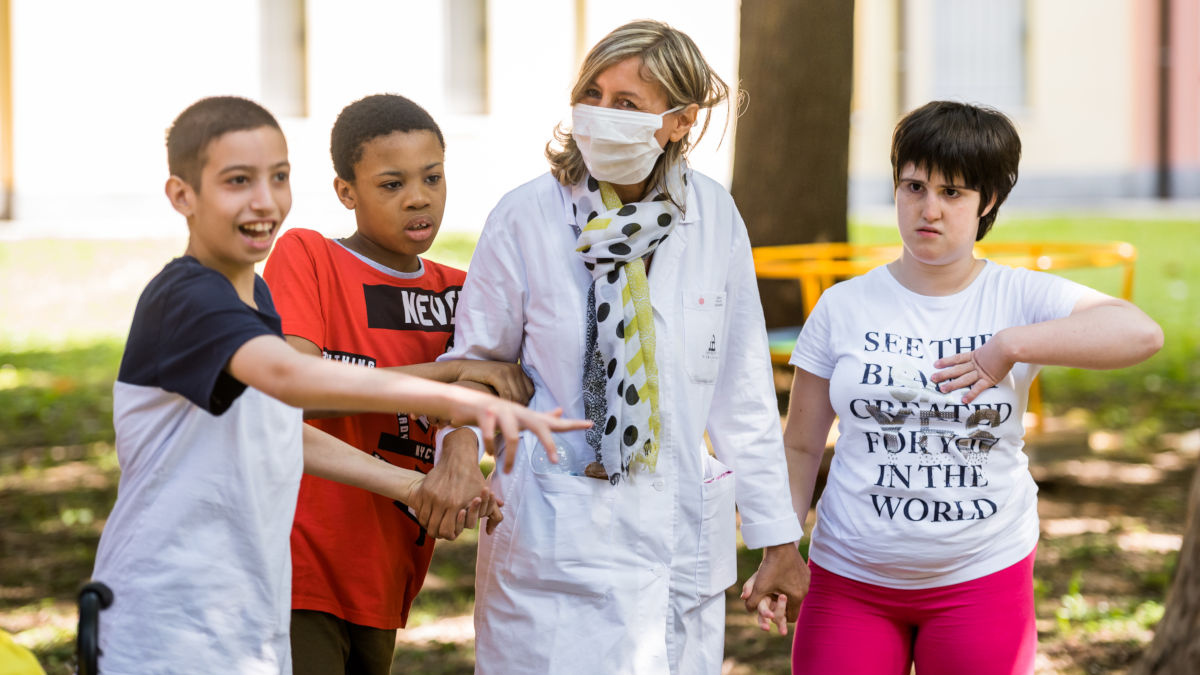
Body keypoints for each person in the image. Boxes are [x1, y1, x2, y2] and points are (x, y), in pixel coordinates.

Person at [88, 96, 587, 674]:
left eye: (278, 177)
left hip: (255, 599)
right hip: (170, 613)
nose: (264, 199)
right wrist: (452, 385)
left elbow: (279, 430)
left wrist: (415, 485)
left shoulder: (249, 305)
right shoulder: (190, 297)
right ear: (182, 196)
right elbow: (293, 382)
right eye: (237, 181)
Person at [435, 20, 808, 674]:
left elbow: (743, 391)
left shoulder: (713, 216)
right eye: (593, 94)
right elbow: (473, 365)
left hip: (678, 545)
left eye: (627, 103)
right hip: (556, 542)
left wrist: (778, 538)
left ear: (680, 121)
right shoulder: (527, 216)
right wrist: (459, 453)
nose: (601, 114)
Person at [754, 100, 1163, 674]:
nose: (929, 210)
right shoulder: (843, 305)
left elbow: (1140, 333)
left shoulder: (1017, 295)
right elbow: (800, 446)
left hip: (982, 577)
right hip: (849, 580)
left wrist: (1009, 346)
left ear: (987, 200)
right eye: (914, 187)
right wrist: (780, 548)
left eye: (952, 192)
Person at [262, 93, 533, 675]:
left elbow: (495, 389)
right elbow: (296, 390)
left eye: (432, 177)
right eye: (392, 184)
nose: (419, 197)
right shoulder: (308, 256)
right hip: (297, 559)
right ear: (346, 192)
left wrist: (463, 447)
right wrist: (450, 375)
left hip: (387, 568)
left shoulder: (463, 291)